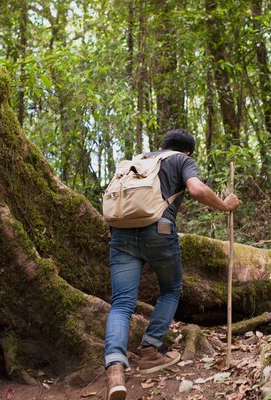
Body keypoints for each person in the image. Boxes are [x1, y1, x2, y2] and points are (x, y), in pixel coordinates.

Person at [104, 129, 241, 400]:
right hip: (159, 232)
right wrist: (225, 206)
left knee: (121, 303)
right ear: (187, 151)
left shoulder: (140, 160)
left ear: (161, 145)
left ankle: (115, 370)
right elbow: (196, 189)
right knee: (171, 290)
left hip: (120, 234)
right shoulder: (181, 160)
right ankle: (150, 350)